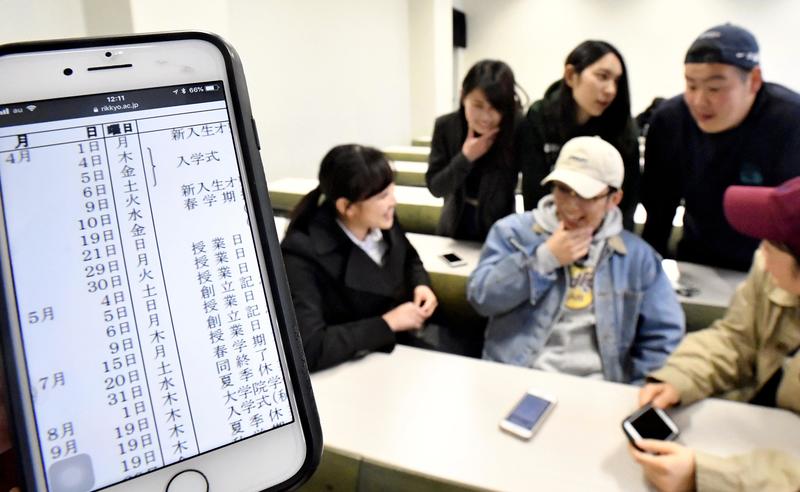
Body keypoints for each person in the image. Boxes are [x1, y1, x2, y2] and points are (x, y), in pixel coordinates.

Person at [467, 136, 684, 384]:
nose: (570, 205)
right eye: (562, 189)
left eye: (585, 195)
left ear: (613, 199)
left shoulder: (637, 257)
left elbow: (663, 335)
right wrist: (543, 260)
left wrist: (639, 389)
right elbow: (481, 298)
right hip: (516, 375)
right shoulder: (513, 233)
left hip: (600, 385)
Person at [631, 176, 800, 492]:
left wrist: (706, 476)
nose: (761, 251)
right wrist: (679, 376)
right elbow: (736, 338)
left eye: (772, 243)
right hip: (751, 435)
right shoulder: (770, 271)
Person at [641, 23, 800, 272]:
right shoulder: (670, 121)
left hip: (768, 268)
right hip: (695, 260)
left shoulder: (790, 122)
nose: (699, 101)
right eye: (691, 85)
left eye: (714, 88)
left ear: (754, 81)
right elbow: (658, 212)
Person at [281, 144, 439, 371]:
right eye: (383, 196)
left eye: (392, 191)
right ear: (347, 206)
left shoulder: (380, 219)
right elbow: (310, 346)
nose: (393, 202)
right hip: (359, 364)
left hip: (407, 344)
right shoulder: (301, 253)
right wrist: (388, 323)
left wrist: (421, 285)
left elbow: (409, 258)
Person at [519, 40, 640, 231]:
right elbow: (533, 191)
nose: (611, 90)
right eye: (602, 76)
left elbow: (628, 199)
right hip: (549, 228)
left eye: (616, 81)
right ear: (570, 75)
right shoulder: (540, 117)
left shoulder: (622, 127)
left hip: (602, 234)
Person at [426, 59, 522, 241]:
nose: (486, 117)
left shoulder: (515, 127)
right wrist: (466, 157)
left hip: (501, 229)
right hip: (454, 226)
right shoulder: (446, 126)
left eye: (495, 108)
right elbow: (436, 187)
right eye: (478, 105)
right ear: (463, 96)